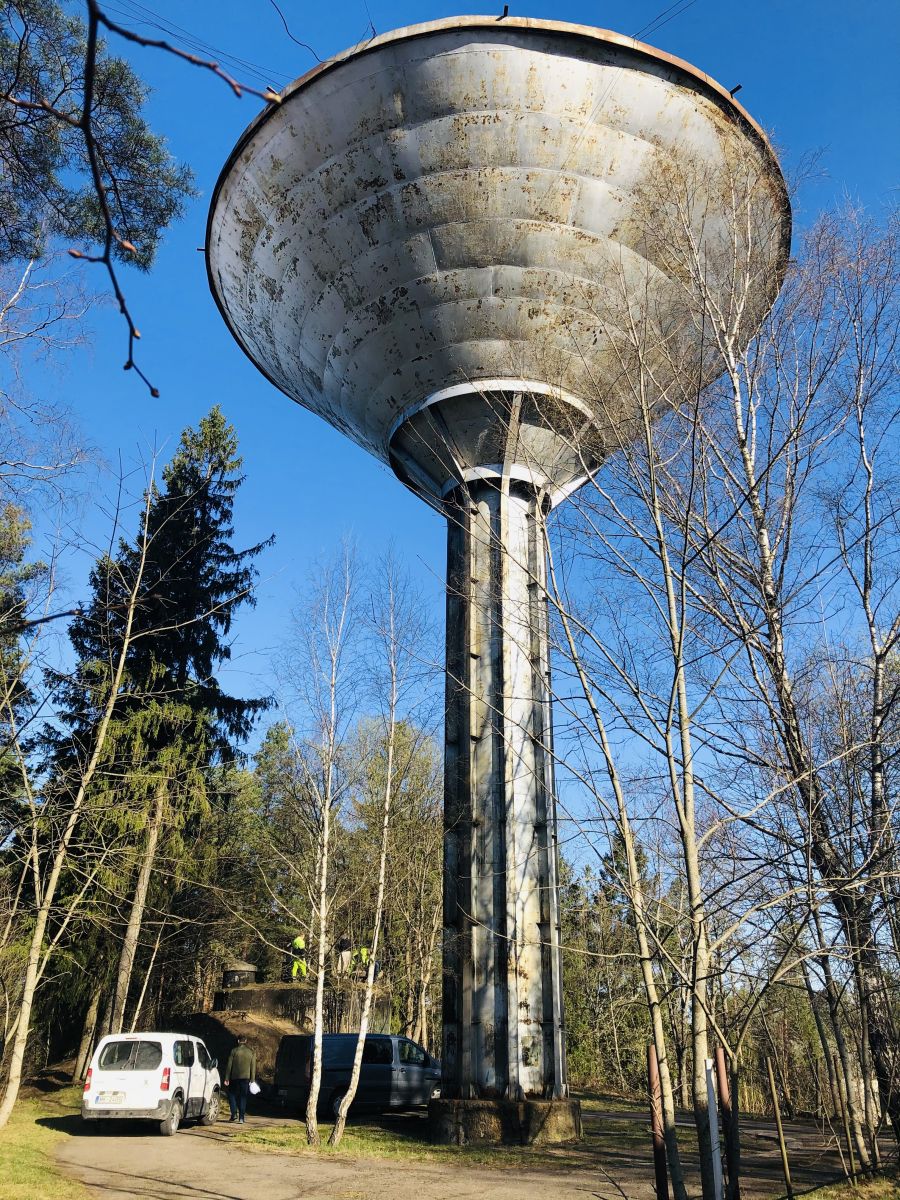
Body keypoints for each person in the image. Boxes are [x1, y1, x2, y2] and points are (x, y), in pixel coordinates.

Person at [223, 1035, 256, 1124]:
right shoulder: (251, 1052)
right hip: (246, 1078)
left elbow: (229, 1065)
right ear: (246, 1041)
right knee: (243, 1097)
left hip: (234, 1077)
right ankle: (241, 1118)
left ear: (238, 1041)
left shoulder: (234, 1051)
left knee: (231, 1095)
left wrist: (226, 1077)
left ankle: (234, 1114)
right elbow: (253, 1067)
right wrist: (252, 1079)